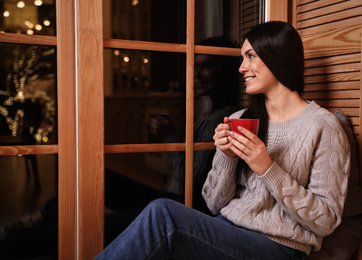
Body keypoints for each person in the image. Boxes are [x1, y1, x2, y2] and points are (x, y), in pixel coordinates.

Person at [93, 21, 351, 260]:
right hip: (227, 230)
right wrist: (227, 158)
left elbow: (325, 220)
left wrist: (267, 168)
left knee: (163, 214)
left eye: (250, 56)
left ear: (278, 56)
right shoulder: (243, 118)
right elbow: (214, 204)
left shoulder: (322, 125)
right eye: (242, 58)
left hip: (279, 247)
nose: (241, 68)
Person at [0, 37, 240, 259]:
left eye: (206, 67)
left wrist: (169, 137)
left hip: (188, 207)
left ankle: (17, 239)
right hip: (174, 197)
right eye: (195, 66)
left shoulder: (227, 117)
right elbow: (181, 171)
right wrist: (168, 138)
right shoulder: (207, 112)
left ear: (227, 73)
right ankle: (32, 222)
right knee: (98, 179)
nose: (196, 74)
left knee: (92, 225)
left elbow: (193, 181)